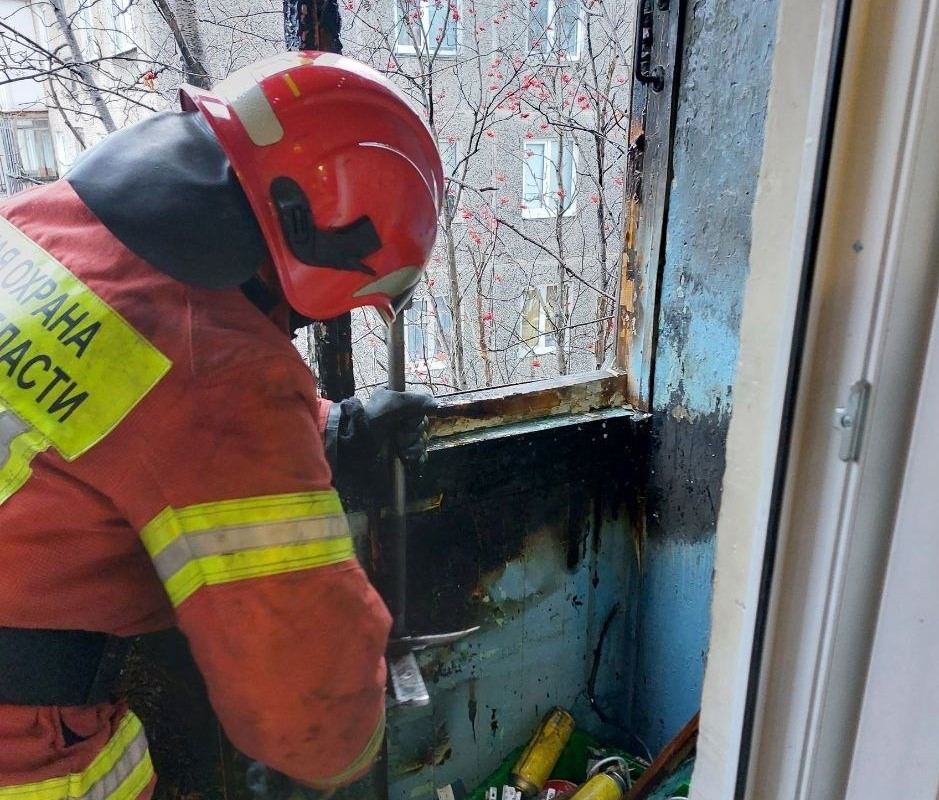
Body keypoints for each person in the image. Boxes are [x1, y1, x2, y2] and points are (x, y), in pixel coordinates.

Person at [0, 51, 442, 799]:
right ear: (320, 245)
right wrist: (351, 749)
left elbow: (115, 411)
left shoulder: (34, 224)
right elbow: (311, 720)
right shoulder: (222, 373)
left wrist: (330, 430)